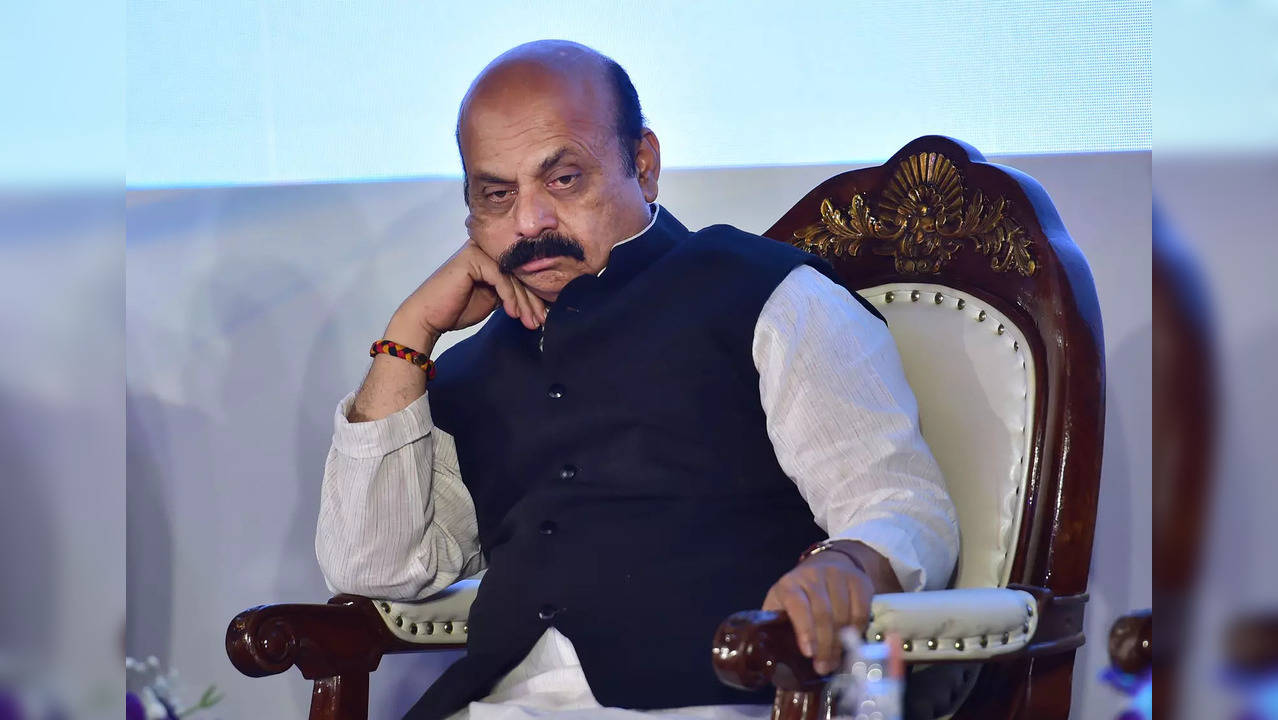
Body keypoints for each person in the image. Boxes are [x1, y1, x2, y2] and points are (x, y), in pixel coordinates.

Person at [316, 40, 958, 720]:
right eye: (497, 195)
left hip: (710, 702)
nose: (529, 223)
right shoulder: (472, 367)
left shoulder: (766, 295)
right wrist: (409, 332)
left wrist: (847, 567)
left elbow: (901, 505)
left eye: (563, 180)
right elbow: (372, 567)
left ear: (643, 166)